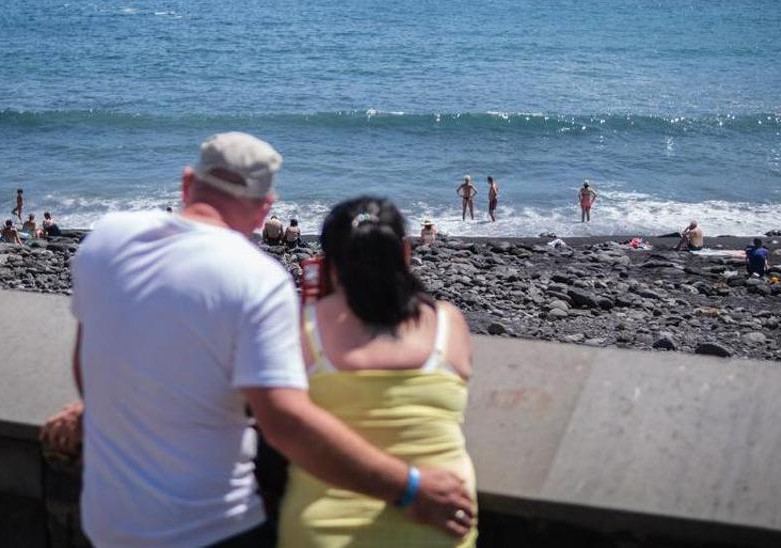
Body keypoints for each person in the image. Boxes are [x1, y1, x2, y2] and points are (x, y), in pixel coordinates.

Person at [39, 132, 473, 547]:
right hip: (213, 528)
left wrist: (91, 410)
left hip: (109, 523)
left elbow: (92, 367)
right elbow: (283, 422)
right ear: (266, 210)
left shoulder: (107, 239)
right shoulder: (258, 278)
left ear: (187, 183)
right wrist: (409, 487)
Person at [280, 196, 478, 547]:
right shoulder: (448, 323)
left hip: (325, 532)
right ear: (405, 253)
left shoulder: (302, 328)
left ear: (331, 265)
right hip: (442, 526)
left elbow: (282, 425)